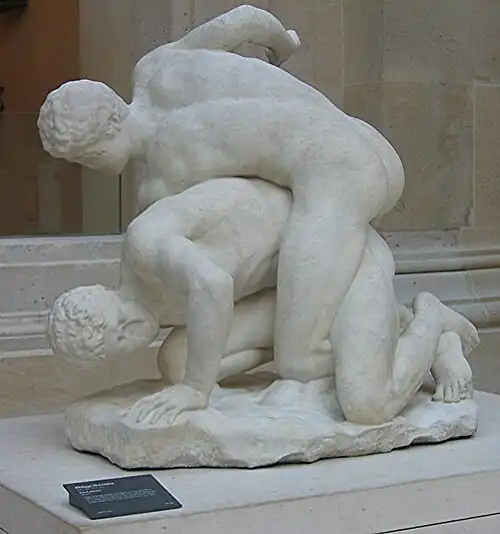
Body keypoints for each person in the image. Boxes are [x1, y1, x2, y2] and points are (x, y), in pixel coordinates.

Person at [49, 177, 476, 426]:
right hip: (297, 293)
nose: (132, 331)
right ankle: (378, 336)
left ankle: (431, 323)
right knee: (177, 361)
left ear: (105, 292)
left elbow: (214, 286)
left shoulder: (147, 244)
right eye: (120, 344)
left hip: (342, 251)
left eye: (119, 321)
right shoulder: (150, 298)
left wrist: (196, 389)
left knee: (367, 404)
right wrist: (189, 378)